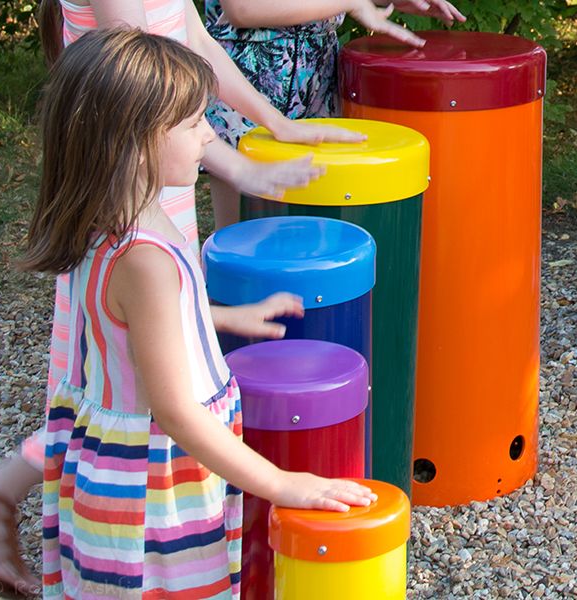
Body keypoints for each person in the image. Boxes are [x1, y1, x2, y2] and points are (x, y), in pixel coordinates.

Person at [23, 29, 377, 598]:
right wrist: (284, 484)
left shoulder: (113, 224)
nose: (209, 134)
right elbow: (176, 412)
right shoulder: (144, 259)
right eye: (192, 124)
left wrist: (224, 318)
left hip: (120, 464)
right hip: (152, 481)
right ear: (134, 141)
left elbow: (135, 328)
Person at [205, 0, 466, 226]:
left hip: (317, 74)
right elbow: (244, 8)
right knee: (244, 244)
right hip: (245, 80)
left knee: (316, 241)